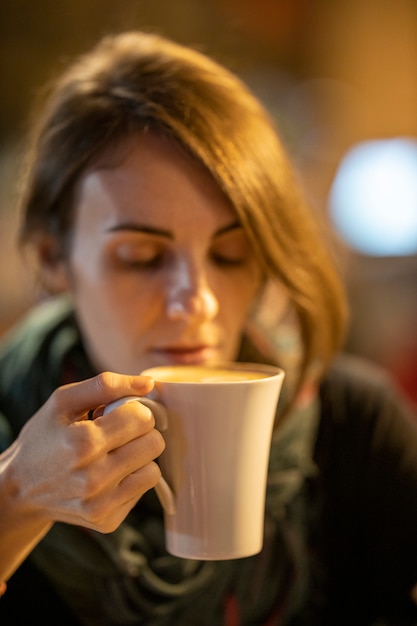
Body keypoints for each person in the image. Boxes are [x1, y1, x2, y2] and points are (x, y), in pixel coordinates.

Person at [0, 30, 416, 626]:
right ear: (51, 257)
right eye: (142, 257)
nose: (196, 302)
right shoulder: (7, 440)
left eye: (231, 255)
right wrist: (13, 502)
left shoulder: (355, 428)